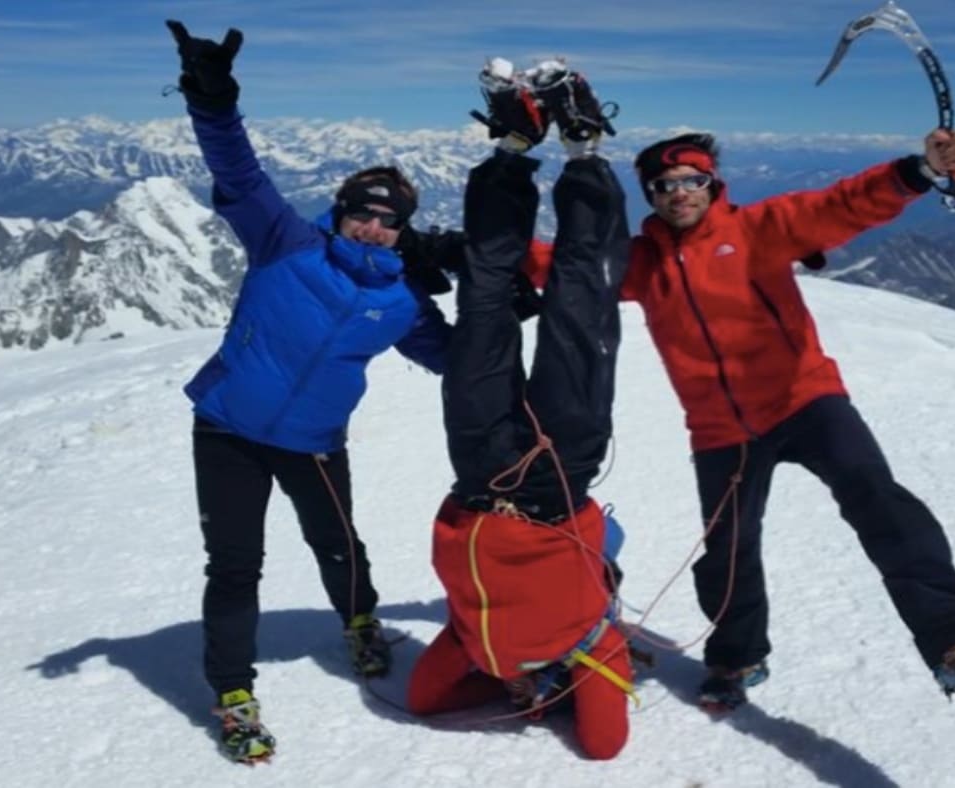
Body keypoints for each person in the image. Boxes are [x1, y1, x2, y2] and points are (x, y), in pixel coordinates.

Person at [620, 129, 955, 709]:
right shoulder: (641, 265)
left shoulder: (757, 230)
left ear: (712, 184)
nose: (680, 193)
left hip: (805, 401)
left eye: (692, 181)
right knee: (728, 550)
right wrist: (473, 255)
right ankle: (736, 659)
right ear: (651, 195)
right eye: (665, 185)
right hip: (721, 430)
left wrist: (917, 172)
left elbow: (838, 207)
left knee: (877, 500)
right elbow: (565, 268)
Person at [165, 21, 453, 763]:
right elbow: (239, 173)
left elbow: (454, 358)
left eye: (390, 220)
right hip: (227, 426)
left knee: (337, 543)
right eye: (363, 209)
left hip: (314, 441)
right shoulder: (284, 241)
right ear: (341, 205)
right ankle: (233, 694)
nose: (374, 226)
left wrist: (500, 300)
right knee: (234, 565)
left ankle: (359, 625)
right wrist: (213, 101)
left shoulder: (403, 303)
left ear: (403, 231)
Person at [405, 58, 635, 760]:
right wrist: (564, 684)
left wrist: (512, 684)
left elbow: (426, 699)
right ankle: (584, 146)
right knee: (578, 305)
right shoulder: (592, 642)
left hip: (476, 474)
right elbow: (603, 744)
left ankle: (511, 149)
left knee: (483, 298)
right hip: (555, 483)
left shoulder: (479, 651)